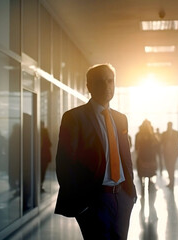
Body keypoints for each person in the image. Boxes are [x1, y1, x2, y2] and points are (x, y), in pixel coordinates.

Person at [54, 63, 137, 239]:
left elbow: (125, 157)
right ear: (89, 86)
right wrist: (82, 205)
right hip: (93, 200)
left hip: (122, 197)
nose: (107, 86)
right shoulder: (74, 118)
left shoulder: (121, 119)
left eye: (110, 81)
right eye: (100, 82)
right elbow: (64, 164)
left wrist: (131, 194)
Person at [135, 120, 158, 194]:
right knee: (147, 173)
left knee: (145, 173)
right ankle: (146, 186)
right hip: (146, 156)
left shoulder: (141, 135)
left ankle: (145, 186)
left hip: (146, 156)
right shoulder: (151, 135)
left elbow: (136, 147)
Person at [161, 122, 178, 190]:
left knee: (172, 167)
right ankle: (170, 182)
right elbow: (162, 142)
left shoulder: (176, 133)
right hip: (166, 153)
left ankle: (172, 182)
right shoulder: (164, 133)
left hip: (173, 154)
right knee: (168, 168)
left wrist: (171, 141)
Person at [40, 121, 52, 193]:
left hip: (42, 157)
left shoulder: (36, 132)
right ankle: (40, 185)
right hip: (44, 156)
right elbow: (49, 144)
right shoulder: (44, 132)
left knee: (41, 171)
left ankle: (39, 185)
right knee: (42, 172)